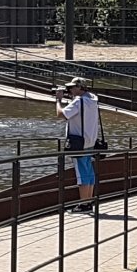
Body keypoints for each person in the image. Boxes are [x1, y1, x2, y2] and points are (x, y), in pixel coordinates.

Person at [56, 77, 100, 212]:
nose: (70, 90)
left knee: (81, 173)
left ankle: (83, 204)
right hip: (90, 141)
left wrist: (58, 100)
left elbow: (61, 114)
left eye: (73, 87)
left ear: (80, 87)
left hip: (78, 142)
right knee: (89, 171)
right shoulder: (92, 99)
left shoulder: (78, 102)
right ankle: (89, 201)